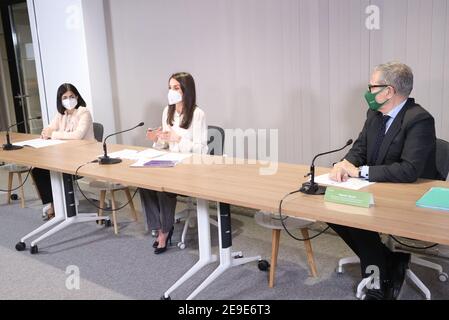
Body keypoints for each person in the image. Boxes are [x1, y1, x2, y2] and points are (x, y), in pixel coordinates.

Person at [328, 62, 441, 300]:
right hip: (378, 187)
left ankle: (378, 283)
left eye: (372, 86)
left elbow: (409, 171)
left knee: (358, 216)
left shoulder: (419, 119)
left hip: (411, 195)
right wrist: (344, 164)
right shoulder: (374, 114)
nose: (368, 92)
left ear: (388, 91)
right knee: (332, 210)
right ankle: (387, 260)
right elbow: (359, 149)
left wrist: (360, 172)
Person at [139, 72, 207, 254]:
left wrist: (178, 139)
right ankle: (159, 228)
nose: (172, 91)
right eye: (170, 87)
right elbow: (165, 144)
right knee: (144, 183)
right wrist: (157, 138)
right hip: (171, 160)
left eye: (176, 88)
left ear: (187, 90)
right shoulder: (167, 111)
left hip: (190, 165)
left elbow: (201, 149)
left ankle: (165, 231)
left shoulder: (197, 114)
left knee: (163, 186)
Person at [32, 83, 95, 220]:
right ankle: (54, 204)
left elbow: (77, 136)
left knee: (54, 168)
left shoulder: (84, 112)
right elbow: (48, 129)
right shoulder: (62, 114)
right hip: (65, 155)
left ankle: (64, 204)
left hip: (84, 156)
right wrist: (46, 132)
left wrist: (53, 134)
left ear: (77, 97)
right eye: (65, 97)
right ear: (60, 100)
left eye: (71, 96)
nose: (69, 100)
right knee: (38, 170)